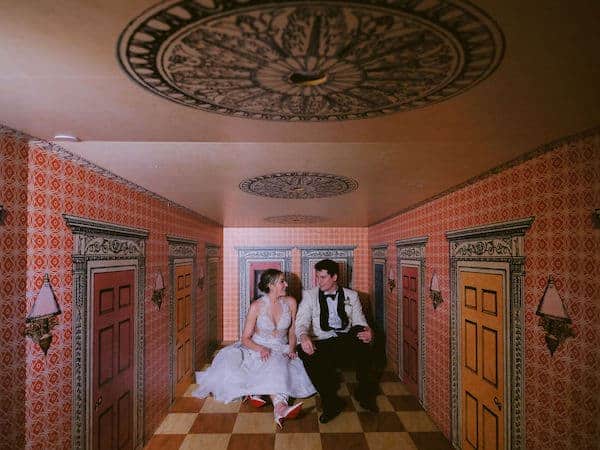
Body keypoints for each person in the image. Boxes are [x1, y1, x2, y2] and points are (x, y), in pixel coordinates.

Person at [192, 269, 315, 427]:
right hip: (257, 347)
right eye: (282, 281)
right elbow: (245, 338)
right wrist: (260, 349)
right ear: (271, 285)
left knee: (279, 363)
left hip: (281, 347)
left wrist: (291, 348)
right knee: (270, 362)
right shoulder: (256, 306)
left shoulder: (291, 302)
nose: (286, 284)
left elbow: (292, 330)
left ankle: (255, 393)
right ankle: (280, 407)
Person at [296, 259, 378, 424]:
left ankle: (364, 394)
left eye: (323, 277)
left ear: (334, 277)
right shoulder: (309, 295)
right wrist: (304, 337)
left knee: (362, 334)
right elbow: (301, 323)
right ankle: (331, 401)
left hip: (344, 340)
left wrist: (369, 332)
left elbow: (360, 321)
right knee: (302, 349)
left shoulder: (352, 296)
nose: (318, 281)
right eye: (317, 277)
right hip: (322, 341)